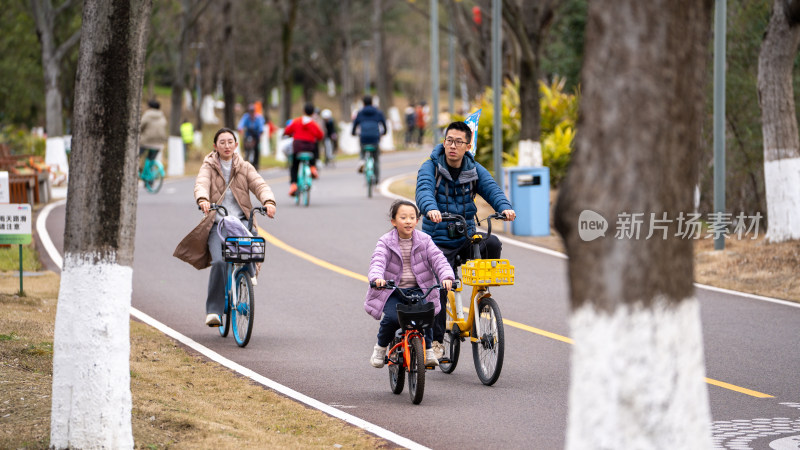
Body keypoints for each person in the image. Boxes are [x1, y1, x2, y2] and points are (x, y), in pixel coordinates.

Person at [415, 120, 516, 360]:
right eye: (449, 140)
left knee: (492, 244)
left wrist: (505, 208)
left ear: (468, 146)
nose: (453, 146)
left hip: (466, 234)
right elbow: (424, 190)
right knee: (442, 287)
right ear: (444, 142)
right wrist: (430, 209)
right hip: (438, 239)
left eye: (458, 142)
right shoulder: (430, 166)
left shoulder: (474, 169)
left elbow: (492, 189)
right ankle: (437, 341)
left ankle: (482, 294)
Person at [195, 128, 277, 327]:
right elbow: (201, 183)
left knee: (250, 249)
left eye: (230, 142)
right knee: (220, 263)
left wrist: (269, 201)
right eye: (222, 142)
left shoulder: (245, 166)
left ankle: (248, 272)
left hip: (241, 222)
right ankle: (214, 311)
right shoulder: (208, 167)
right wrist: (203, 199)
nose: (226, 146)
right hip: (218, 225)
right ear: (215, 146)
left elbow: (260, 184)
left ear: (236, 145)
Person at [364, 199, 454, 368]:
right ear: (393, 221)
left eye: (412, 217)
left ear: (417, 220)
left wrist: (447, 277)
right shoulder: (385, 241)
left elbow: (438, 259)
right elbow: (378, 261)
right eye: (403, 217)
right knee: (391, 319)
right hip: (393, 290)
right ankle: (380, 348)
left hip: (420, 289)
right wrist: (377, 278)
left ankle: (427, 351)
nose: (408, 221)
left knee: (427, 316)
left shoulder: (425, 240)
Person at [283, 103, 325, 196]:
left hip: (298, 147)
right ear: (313, 112)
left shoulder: (296, 121)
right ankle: (313, 168)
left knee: (294, 165)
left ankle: (293, 185)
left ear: (303, 111)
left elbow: (287, 131)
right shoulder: (313, 123)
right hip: (310, 147)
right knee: (314, 147)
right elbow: (320, 135)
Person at [351, 95, 387, 180]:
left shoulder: (360, 113)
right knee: (376, 159)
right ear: (372, 103)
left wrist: (353, 133)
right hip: (375, 137)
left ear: (363, 103)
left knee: (362, 150)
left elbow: (355, 125)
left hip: (363, 138)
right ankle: (377, 180)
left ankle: (362, 160)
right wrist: (384, 132)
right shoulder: (378, 112)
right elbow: (384, 125)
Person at [138, 99, 168, 174]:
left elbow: (140, 126)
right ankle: (150, 180)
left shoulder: (147, 114)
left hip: (146, 142)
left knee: (136, 156)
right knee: (151, 160)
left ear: (150, 106)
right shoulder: (162, 116)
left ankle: (138, 170)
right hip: (158, 144)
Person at [237, 103, 266, 171]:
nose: (251, 113)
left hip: (256, 134)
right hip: (248, 134)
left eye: (252, 111)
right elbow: (241, 124)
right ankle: (246, 159)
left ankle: (256, 164)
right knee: (246, 146)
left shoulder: (259, 118)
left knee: (256, 149)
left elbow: (261, 128)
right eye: (250, 111)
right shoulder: (246, 116)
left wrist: (260, 135)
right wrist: (240, 129)